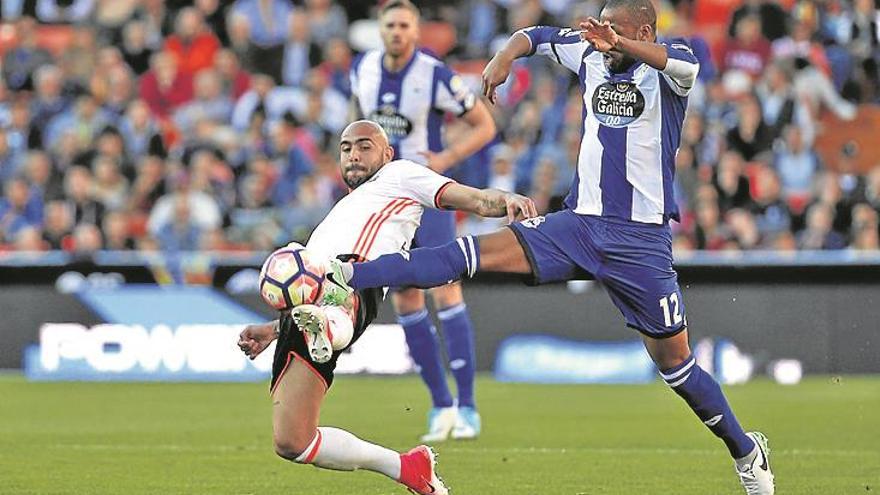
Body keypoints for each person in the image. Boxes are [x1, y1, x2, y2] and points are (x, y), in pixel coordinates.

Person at [321, 2, 775, 494]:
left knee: (677, 369)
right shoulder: (589, 52)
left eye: (615, 32)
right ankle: (347, 275)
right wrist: (504, 56)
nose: (601, 39)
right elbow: (535, 34)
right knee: (466, 255)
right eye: (600, 30)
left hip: (640, 242)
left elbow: (683, 66)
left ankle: (747, 453)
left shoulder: (672, 63)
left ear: (642, 31)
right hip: (578, 226)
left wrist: (617, 43)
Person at [236, 120, 535, 495]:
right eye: (346, 148)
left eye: (364, 146)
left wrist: (504, 199)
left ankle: (331, 324)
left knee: (337, 303)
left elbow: (470, 197)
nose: (353, 154)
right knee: (292, 441)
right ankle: (407, 467)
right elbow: (304, 288)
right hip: (308, 307)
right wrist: (274, 328)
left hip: (356, 280)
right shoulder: (343, 209)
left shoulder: (401, 174)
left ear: (387, 153)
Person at [349, 0, 497, 442]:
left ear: (416, 32)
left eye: (404, 26)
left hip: (424, 193)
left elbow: (483, 125)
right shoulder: (363, 69)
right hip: (382, 198)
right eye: (390, 25)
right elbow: (356, 124)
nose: (397, 32)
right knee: (406, 300)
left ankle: (468, 406)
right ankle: (440, 405)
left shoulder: (434, 74)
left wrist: (446, 158)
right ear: (380, 30)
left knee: (446, 289)